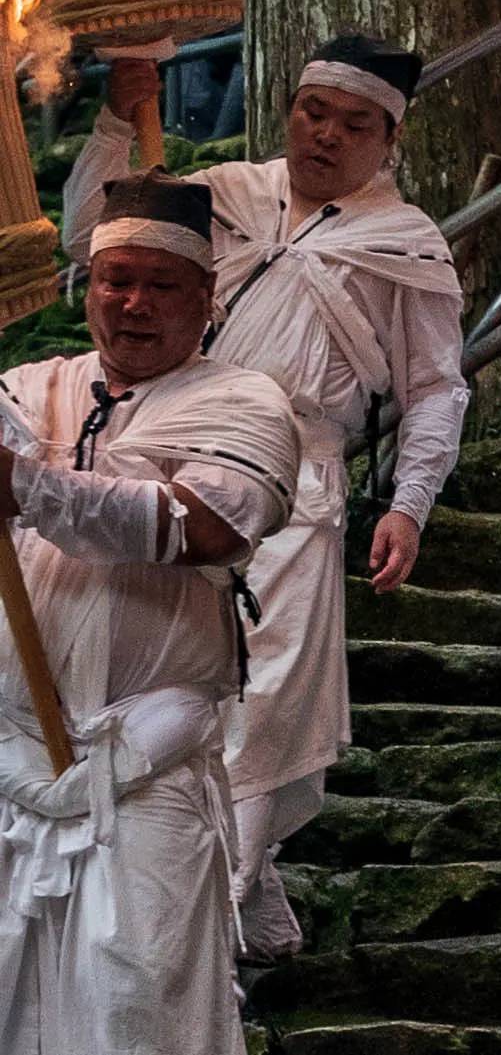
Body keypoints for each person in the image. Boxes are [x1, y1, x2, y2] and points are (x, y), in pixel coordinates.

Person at [64, 26, 469, 958]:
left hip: (294, 491)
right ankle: (239, 893)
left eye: (353, 124)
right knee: (152, 687)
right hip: (161, 466)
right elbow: (96, 240)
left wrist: (410, 501)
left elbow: (436, 386)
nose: (325, 134)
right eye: (311, 110)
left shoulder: (404, 245)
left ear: (388, 140)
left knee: (259, 705)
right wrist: (118, 122)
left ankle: (209, 922)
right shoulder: (227, 192)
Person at [0, 178, 301, 1054]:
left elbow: (202, 526)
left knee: (137, 999)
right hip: (12, 754)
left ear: (205, 299)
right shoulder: (27, 388)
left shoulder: (248, 402)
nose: (132, 302)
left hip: (144, 766)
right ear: (87, 286)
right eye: (114, 278)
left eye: (160, 284)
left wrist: (23, 484)